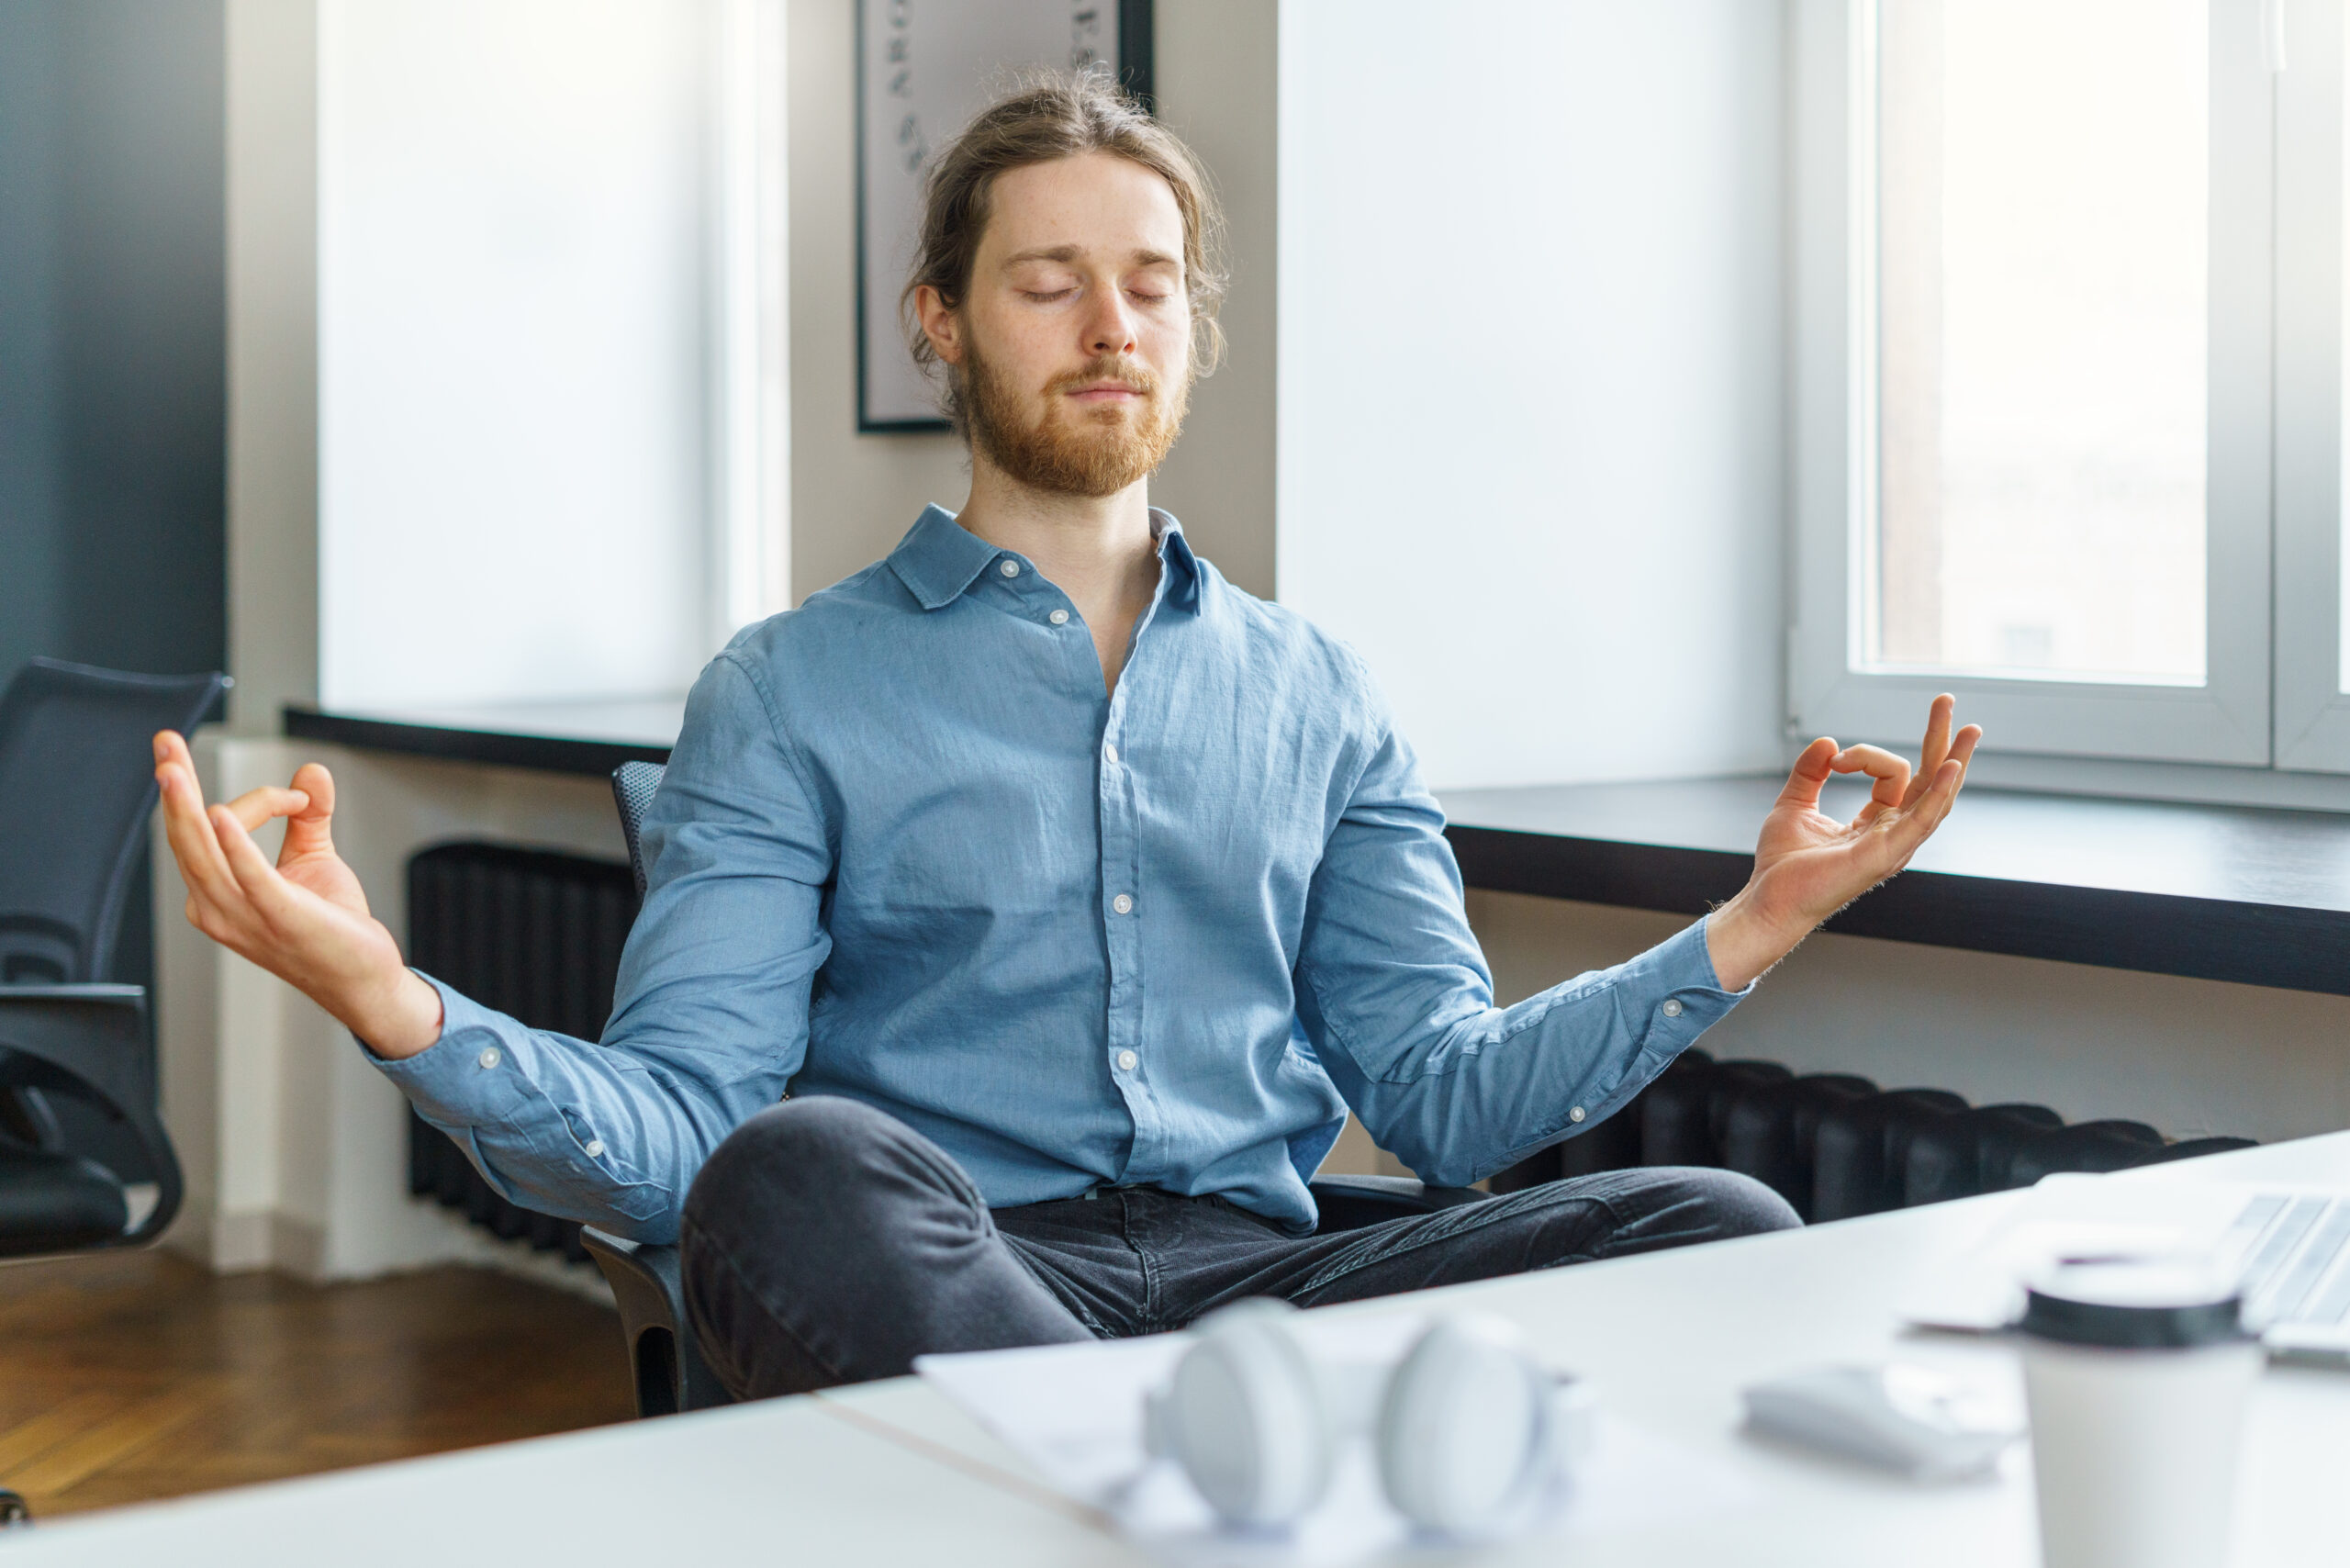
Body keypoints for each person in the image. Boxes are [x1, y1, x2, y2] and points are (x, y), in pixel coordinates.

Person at [152, 73, 1980, 1400]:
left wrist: (1753, 918)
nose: (1111, 322)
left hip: (1266, 1284)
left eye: (1151, 279)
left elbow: (1436, 1094)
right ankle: (1162, 1484)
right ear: (939, 320)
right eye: (1048, 280)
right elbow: (684, 1134)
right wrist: (389, 993)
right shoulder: (789, 685)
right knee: (793, 1171)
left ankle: (1130, 1490)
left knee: (1718, 1220)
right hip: (949, 1275)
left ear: (1191, 328)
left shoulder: (1319, 691)